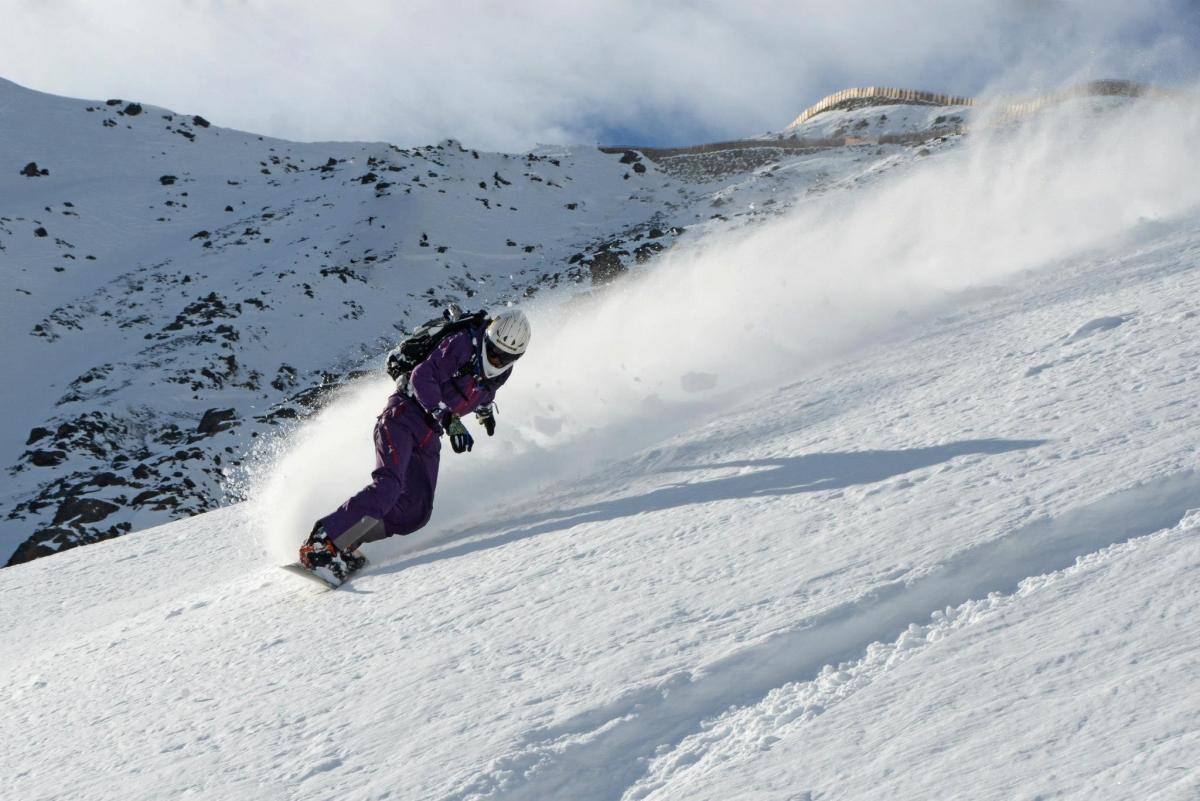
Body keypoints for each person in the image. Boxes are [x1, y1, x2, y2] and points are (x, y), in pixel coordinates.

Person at [299, 308, 531, 581]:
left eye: (506, 357)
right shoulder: (461, 345)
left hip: (430, 434)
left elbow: (483, 390)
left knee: (415, 512)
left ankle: (347, 541)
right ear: (488, 338)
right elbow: (422, 376)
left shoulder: (503, 372)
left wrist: (484, 411)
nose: (497, 359)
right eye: (493, 351)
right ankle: (321, 542)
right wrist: (448, 418)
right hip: (403, 416)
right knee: (388, 486)